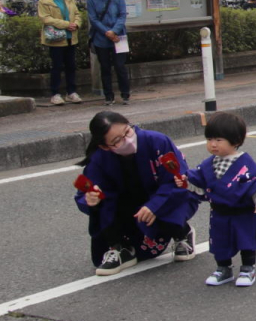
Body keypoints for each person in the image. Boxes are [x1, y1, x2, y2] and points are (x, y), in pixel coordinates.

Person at [75, 111, 199, 276]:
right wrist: (89, 199)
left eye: (127, 131)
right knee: (101, 202)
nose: (127, 140)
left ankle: (181, 232)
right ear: (105, 146)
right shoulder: (99, 159)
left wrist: (154, 206)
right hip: (131, 210)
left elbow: (177, 179)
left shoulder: (157, 141)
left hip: (157, 201)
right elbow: (84, 191)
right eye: (117, 141)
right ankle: (120, 247)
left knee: (177, 190)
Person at [178, 112, 256, 288]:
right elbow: (197, 179)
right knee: (219, 240)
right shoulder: (208, 164)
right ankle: (223, 269)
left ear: (236, 141)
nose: (213, 144)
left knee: (246, 240)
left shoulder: (245, 164)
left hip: (243, 211)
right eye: (209, 139)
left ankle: (248, 268)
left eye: (219, 140)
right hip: (219, 212)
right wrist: (185, 181)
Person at [39, 0, 83, 106]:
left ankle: (71, 92)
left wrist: (76, 24)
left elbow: (77, 13)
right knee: (57, 66)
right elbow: (45, 18)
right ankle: (55, 93)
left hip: (71, 37)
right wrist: (65, 24)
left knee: (71, 66)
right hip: (56, 39)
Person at [86, 0, 130, 106]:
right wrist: (107, 32)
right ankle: (108, 96)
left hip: (119, 36)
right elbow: (93, 19)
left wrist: (114, 31)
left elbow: (122, 15)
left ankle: (125, 94)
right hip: (101, 37)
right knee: (105, 67)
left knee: (120, 66)